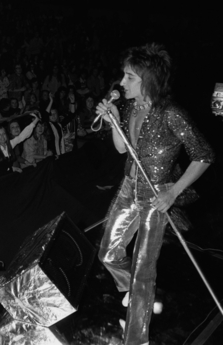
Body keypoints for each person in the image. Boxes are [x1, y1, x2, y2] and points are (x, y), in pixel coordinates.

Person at [96, 43, 215, 345]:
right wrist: (112, 122)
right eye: (123, 76)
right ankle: (135, 295)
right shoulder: (131, 107)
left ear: (147, 80)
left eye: (129, 77)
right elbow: (123, 148)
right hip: (128, 188)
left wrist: (173, 193)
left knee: (142, 271)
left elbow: (203, 155)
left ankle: (137, 338)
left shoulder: (172, 114)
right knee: (108, 252)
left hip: (156, 195)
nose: (121, 83)